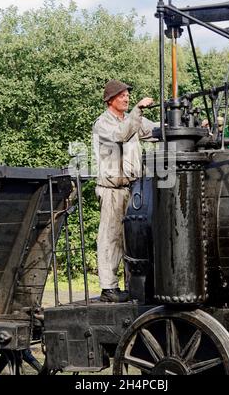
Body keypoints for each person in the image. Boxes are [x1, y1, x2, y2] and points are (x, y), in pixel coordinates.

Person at [93, 79, 157, 302]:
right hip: (111, 189)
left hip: (131, 189)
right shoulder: (103, 124)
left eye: (128, 95)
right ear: (110, 100)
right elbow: (121, 134)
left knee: (132, 237)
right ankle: (108, 289)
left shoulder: (131, 119)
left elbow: (154, 129)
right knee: (110, 237)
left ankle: (132, 284)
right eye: (122, 96)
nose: (127, 98)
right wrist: (138, 109)